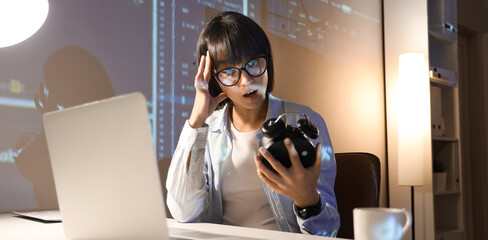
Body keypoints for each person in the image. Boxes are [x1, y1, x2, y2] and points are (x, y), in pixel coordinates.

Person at [166, 11, 339, 237]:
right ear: (214, 80)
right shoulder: (208, 129)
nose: (246, 81)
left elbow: (327, 233)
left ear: (266, 60)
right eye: (229, 72)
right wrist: (197, 119)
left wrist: (308, 202)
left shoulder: (304, 122)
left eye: (253, 63)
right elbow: (184, 212)